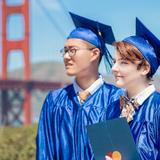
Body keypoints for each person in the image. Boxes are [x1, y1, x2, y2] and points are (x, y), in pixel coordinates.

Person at [36, 12, 123, 160]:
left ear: (94, 54)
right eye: (64, 51)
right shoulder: (55, 101)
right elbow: (45, 153)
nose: (66, 56)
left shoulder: (115, 99)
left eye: (72, 50)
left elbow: (116, 156)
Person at [112, 18, 160, 160]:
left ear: (145, 68)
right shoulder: (113, 108)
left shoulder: (157, 109)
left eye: (124, 63)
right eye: (115, 62)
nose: (114, 68)